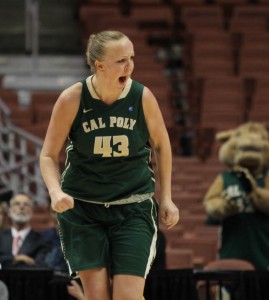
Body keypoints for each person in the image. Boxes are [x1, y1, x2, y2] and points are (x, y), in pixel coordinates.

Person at [39, 30, 179, 300]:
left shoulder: (142, 97)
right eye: (121, 60)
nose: (130, 65)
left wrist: (167, 198)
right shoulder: (72, 99)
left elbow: (162, 146)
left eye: (132, 58)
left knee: (127, 296)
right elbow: (47, 155)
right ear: (100, 66)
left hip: (133, 207)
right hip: (83, 210)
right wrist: (56, 192)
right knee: (98, 296)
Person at [0, 193, 52, 269]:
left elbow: (42, 267)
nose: (21, 207)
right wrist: (17, 259)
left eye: (26, 204)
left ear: (32, 211)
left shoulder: (43, 241)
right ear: (9, 212)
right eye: (17, 204)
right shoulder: (0, 237)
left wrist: (6, 261)